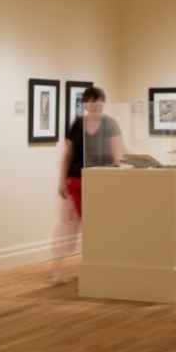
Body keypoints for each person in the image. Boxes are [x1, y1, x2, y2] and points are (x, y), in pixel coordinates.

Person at [51, 86, 123, 284]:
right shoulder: (77, 124)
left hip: (101, 183)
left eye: (98, 101)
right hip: (75, 181)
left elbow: (118, 154)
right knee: (68, 228)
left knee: (101, 227)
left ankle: (101, 268)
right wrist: (61, 180)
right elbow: (68, 153)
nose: (95, 105)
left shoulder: (110, 124)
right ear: (85, 104)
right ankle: (56, 271)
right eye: (91, 102)